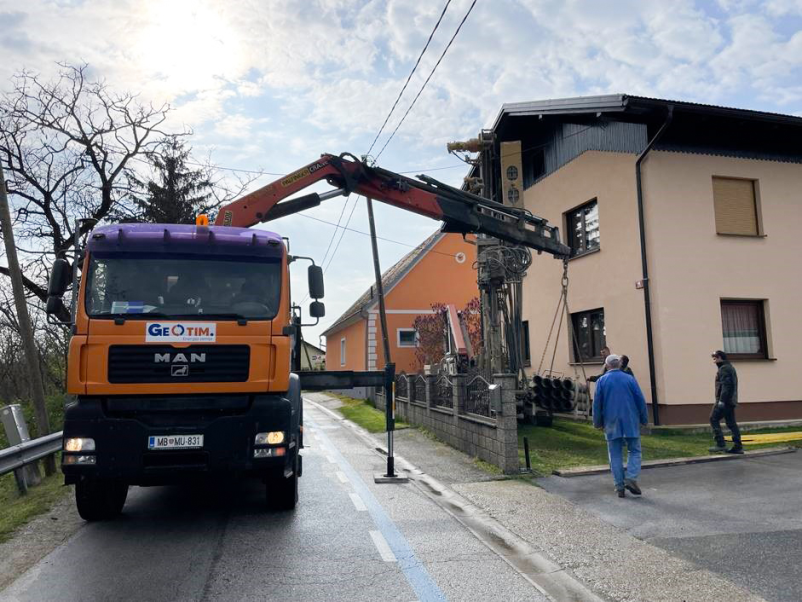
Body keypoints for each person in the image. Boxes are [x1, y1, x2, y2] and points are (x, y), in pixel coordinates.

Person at [593, 354, 649, 498]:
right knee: (635, 450)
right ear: (619, 364)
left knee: (615, 454)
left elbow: (597, 404)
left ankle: (619, 487)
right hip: (630, 419)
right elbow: (640, 400)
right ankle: (631, 477)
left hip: (611, 422)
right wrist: (644, 418)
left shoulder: (601, 381)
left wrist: (598, 422)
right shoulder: (630, 379)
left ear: (607, 365)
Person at [709, 350, 743, 454]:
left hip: (725, 401)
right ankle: (738, 446)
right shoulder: (728, 367)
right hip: (730, 401)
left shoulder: (724, 369)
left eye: (715, 357)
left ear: (720, 357)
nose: (714, 359)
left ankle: (720, 444)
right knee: (731, 423)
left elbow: (726, 386)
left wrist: (721, 401)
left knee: (713, 419)